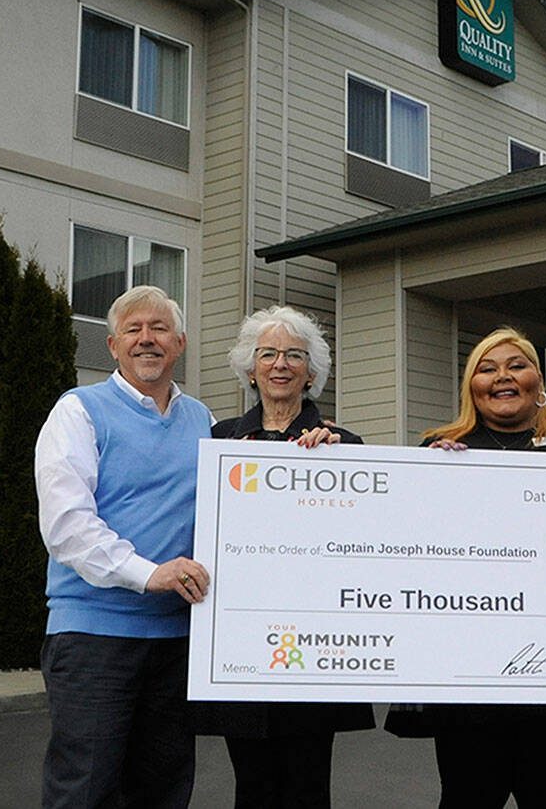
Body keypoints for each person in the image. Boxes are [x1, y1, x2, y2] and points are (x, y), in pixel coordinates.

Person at [385, 326, 546, 809]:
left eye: (516, 365)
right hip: (467, 678)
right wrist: (427, 485)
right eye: (487, 367)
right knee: (467, 798)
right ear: (470, 385)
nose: (502, 377)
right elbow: (404, 552)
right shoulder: (437, 454)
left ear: (539, 384)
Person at [35, 285, 213, 808]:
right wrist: (148, 573)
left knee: (163, 791)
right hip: (93, 635)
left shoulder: (202, 420)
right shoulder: (79, 411)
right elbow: (68, 525)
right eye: (133, 329)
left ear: (179, 343)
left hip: (179, 638)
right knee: (85, 790)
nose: (146, 339)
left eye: (159, 328)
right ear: (112, 346)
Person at [191, 304, 374, 808]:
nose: (280, 364)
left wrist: (335, 462)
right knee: (251, 787)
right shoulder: (219, 439)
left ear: (311, 373)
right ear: (250, 369)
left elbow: (364, 537)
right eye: (267, 353)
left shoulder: (343, 445)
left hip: (312, 644)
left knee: (308, 785)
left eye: (295, 355)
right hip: (240, 640)